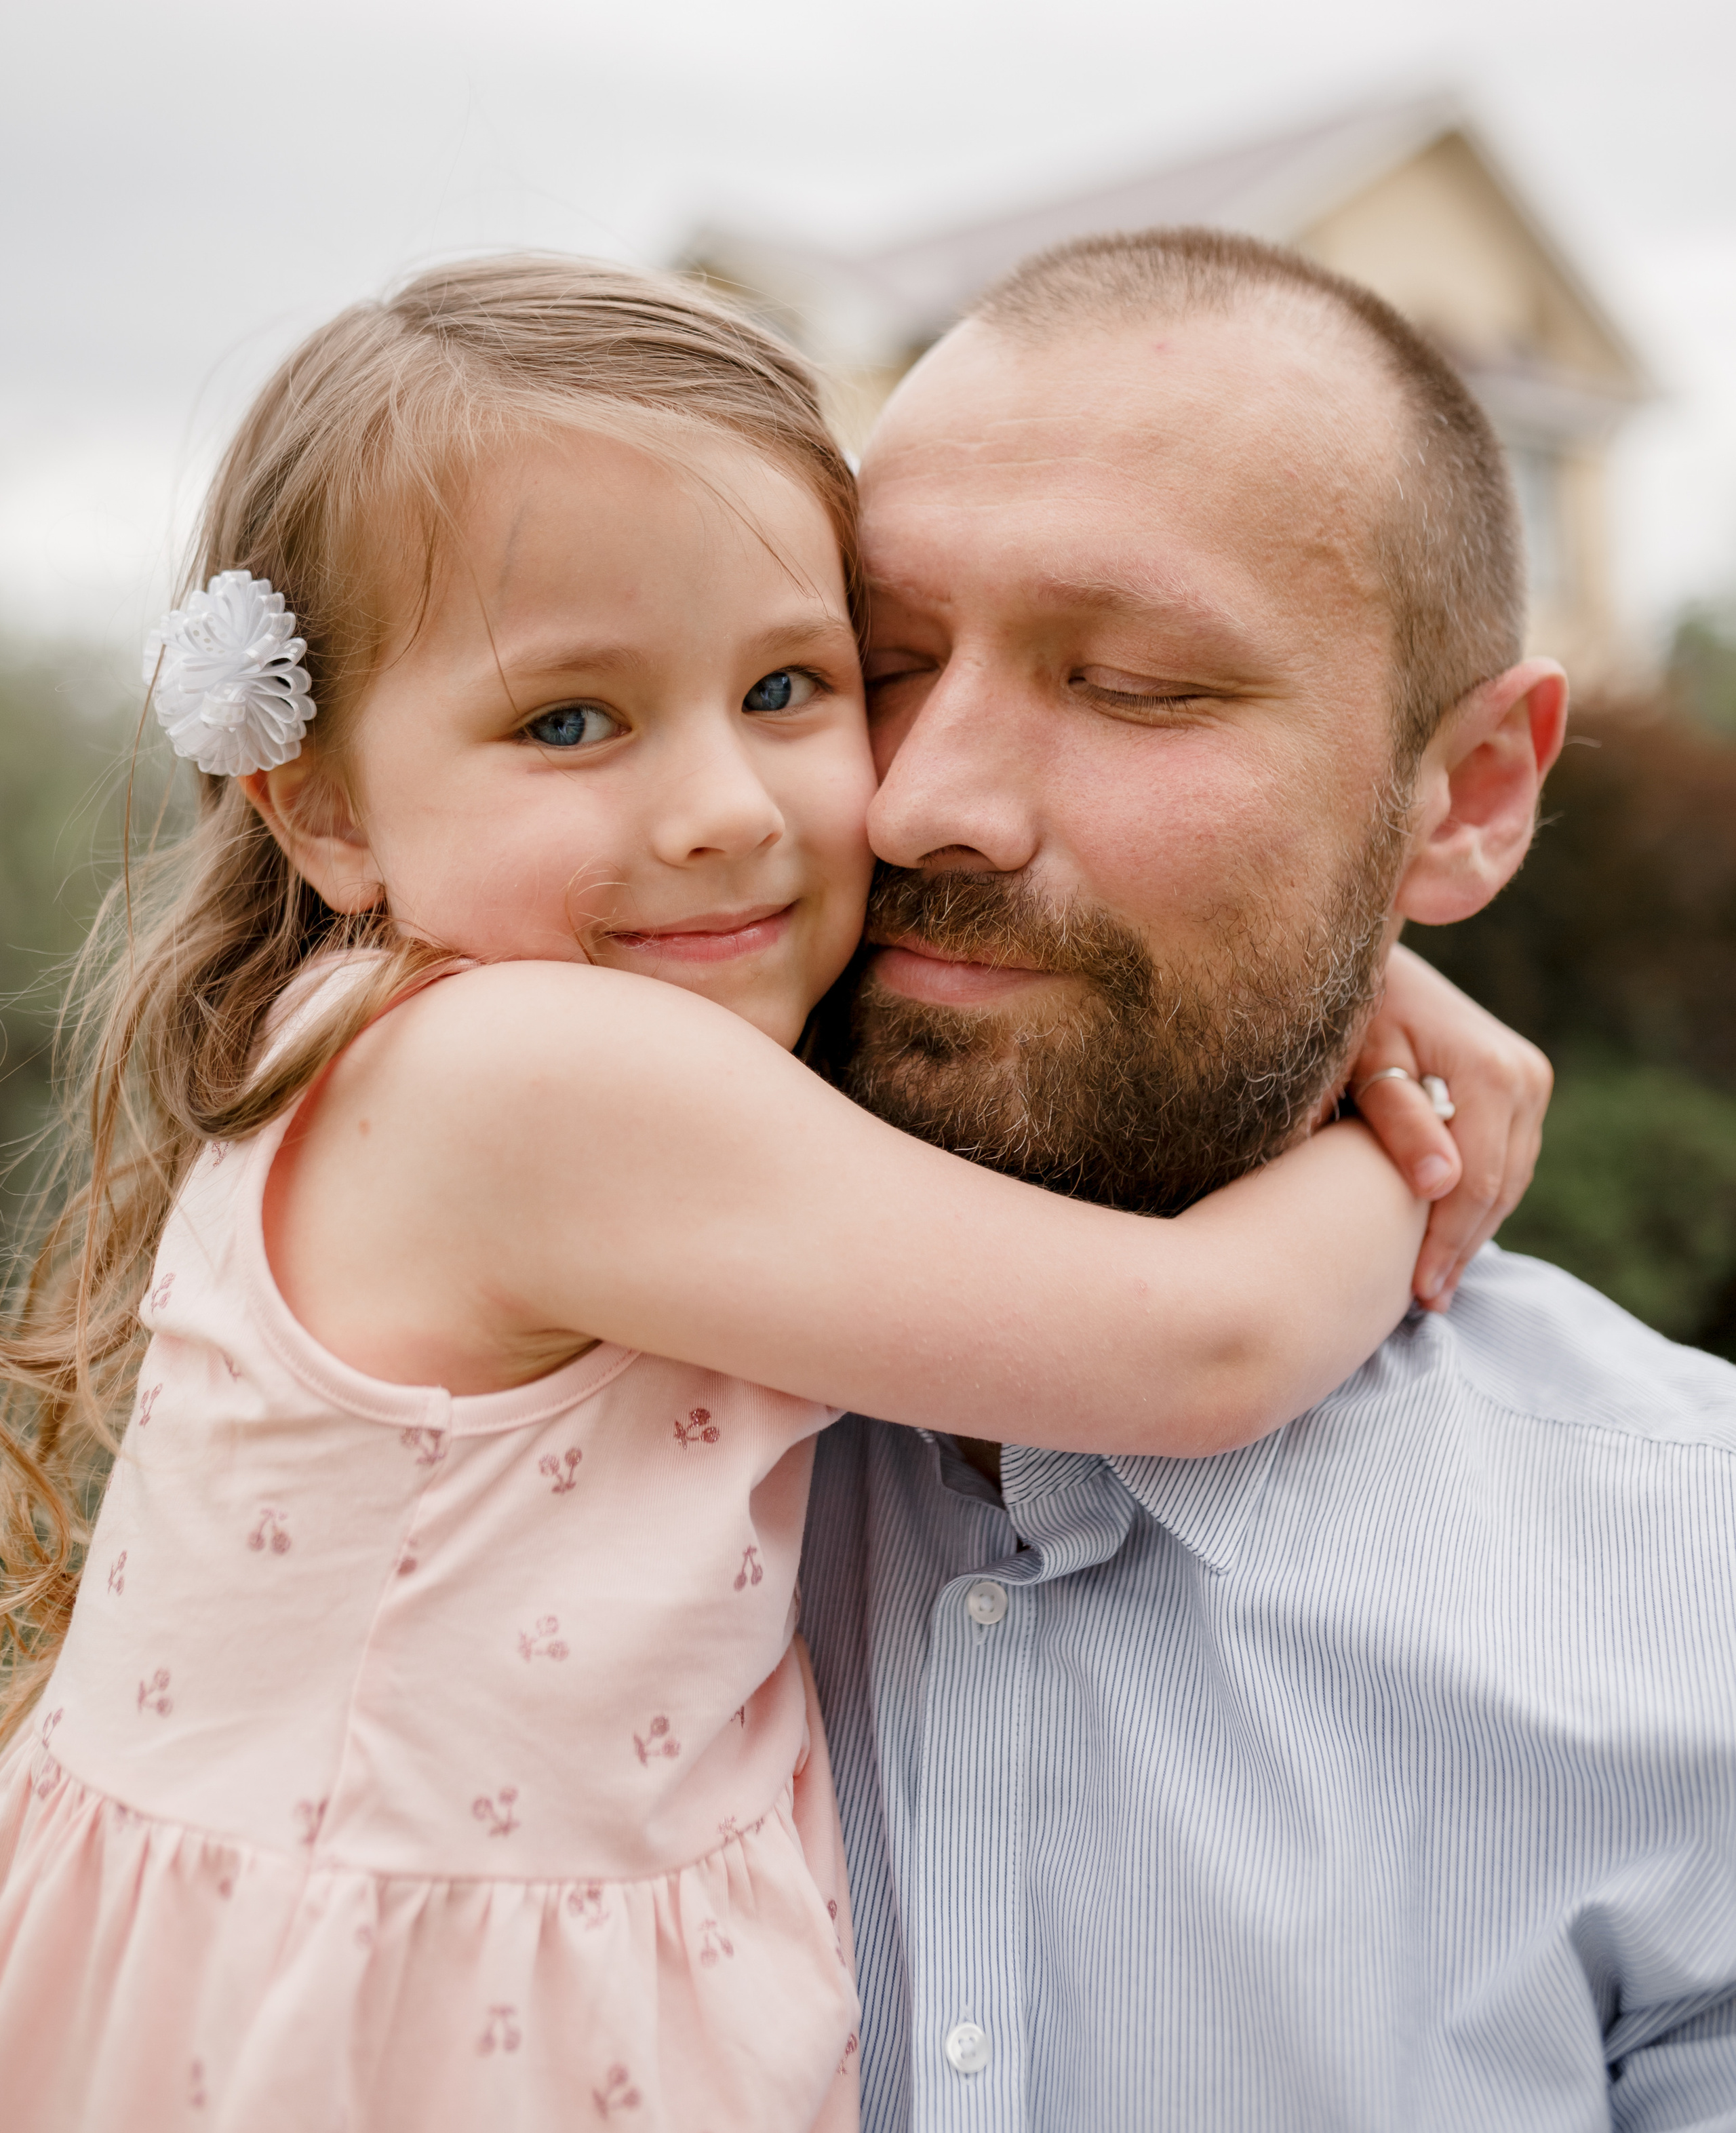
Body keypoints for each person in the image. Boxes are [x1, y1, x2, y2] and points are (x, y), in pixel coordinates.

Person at [0, 256, 1536, 2133]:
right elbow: (1200, 1342)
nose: (724, 802)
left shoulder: (491, 1034)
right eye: (570, 720)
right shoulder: (530, 1079)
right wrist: (1405, 1149)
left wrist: (1345, 948)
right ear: (322, 810)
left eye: (798, 685)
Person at [800, 227, 1736, 2131]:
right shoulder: (471, 1400)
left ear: (1468, 792)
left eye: (1138, 685)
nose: (922, 801)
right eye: (869, 668)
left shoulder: (1694, 1578)